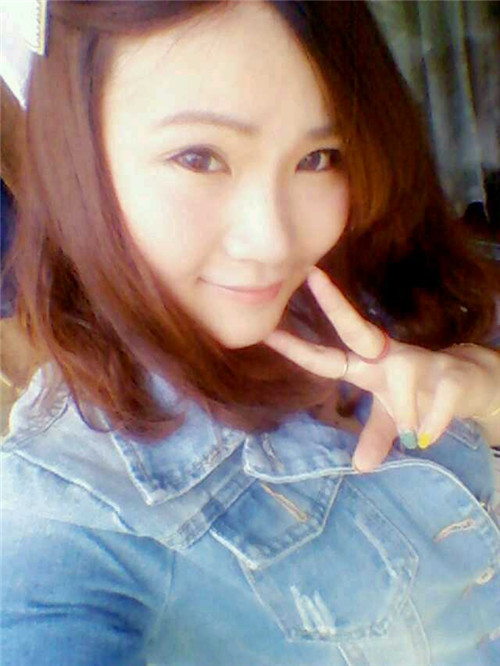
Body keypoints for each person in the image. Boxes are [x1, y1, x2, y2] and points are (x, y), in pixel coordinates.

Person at [1, 1, 500, 664]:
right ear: (76, 159)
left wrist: (480, 388)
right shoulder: (70, 512)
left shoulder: (365, 275)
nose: (274, 241)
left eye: (319, 156)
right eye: (199, 158)